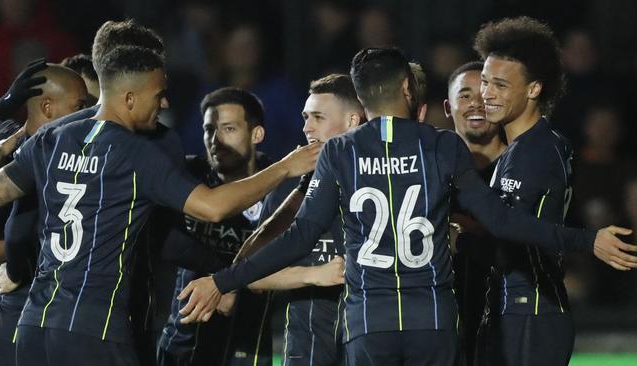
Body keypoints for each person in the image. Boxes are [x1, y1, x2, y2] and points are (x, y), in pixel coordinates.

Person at [176, 47, 637, 366]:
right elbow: (501, 220)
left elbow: (297, 236)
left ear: (361, 97)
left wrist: (223, 279)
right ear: (405, 87)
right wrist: (585, 239)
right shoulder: (441, 147)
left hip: (369, 324)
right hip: (432, 322)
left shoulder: (341, 153)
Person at [0, 30, 319, 366]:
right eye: (158, 94)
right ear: (129, 98)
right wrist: (285, 168)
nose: (165, 103)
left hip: (34, 327)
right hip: (94, 329)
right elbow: (213, 208)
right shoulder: (137, 152)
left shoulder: (52, 137)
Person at [471, 16, 589, 365]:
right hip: (524, 309)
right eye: (485, 81)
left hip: (530, 311)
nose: (487, 94)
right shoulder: (535, 144)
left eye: (501, 85)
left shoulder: (533, 152)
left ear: (534, 89)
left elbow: (509, 227)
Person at [242, 74, 363, 366]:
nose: (306, 128)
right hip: (305, 349)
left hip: (370, 345)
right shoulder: (288, 187)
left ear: (352, 121)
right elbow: (251, 275)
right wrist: (313, 275)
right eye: (306, 117)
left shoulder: (380, 181)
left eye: (318, 117)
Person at [157, 87, 274, 366]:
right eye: (209, 129)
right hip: (183, 344)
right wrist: (224, 277)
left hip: (250, 347)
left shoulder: (279, 185)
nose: (216, 140)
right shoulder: (189, 176)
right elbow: (164, 239)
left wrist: (227, 284)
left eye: (229, 129)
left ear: (256, 134)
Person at [0, 63, 88, 366]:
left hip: (53, 313)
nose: (91, 115)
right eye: (81, 106)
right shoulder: (14, 145)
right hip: (18, 312)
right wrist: (1, 108)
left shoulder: (86, 154)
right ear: (46, 106)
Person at [443, 61, 505, 366]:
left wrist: (463, 228)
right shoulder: (429, 172)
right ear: (447, 107)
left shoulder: (525, 165)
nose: (476, 103)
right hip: (440, 328)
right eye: (465, 95)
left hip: (508, 324)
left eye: (484, 94)